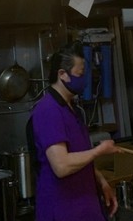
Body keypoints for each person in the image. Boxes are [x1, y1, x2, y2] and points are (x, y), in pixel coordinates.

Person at [30, 41, 119, 220]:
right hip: (64, 209)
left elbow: (79, 157)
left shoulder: (73, 109)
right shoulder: (48, 110)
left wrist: (101, 182)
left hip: (85, 207)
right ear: (63, 74)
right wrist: (99, 151)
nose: (85, 79)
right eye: (80, 73)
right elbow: (61, 166)